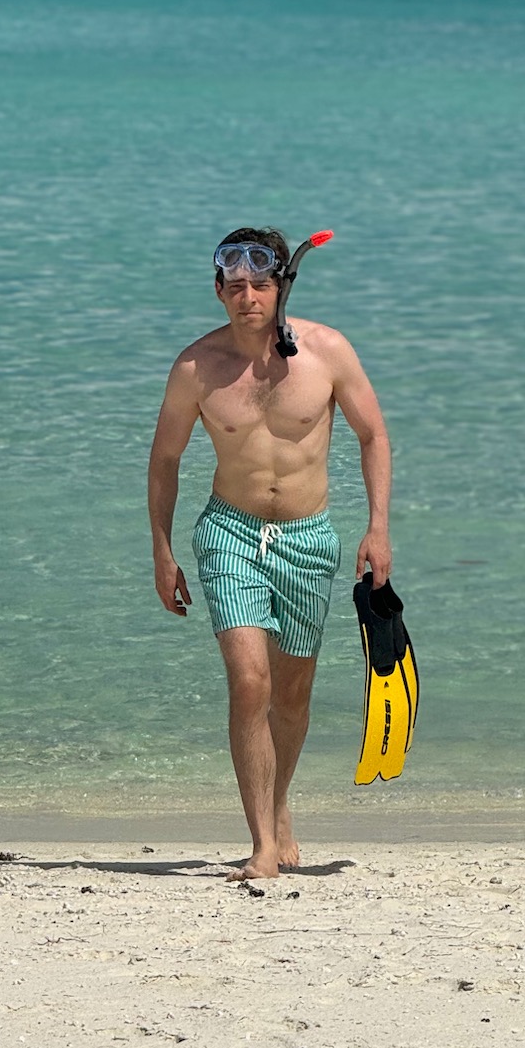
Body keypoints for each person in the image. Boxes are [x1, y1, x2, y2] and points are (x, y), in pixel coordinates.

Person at [148, 226, 393, 880]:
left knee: (292, 694)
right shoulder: (196, 368)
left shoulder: (327, 352)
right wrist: (162, 549)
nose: (247, 298)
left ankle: (280, 807)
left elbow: (373, 435)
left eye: (259, 284)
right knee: (249, 681)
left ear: (282, 283)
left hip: (309, 539)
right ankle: (262, 843)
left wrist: (378, 527)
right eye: (234, 287)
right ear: (219, 292)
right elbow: (165, 460)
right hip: (229, 532)